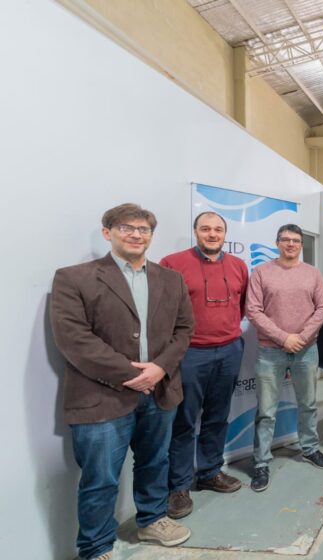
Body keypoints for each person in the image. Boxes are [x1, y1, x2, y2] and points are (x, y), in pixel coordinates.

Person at [50, 203, 194, 560]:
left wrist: (159, 369)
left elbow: (183, 330)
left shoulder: (170, 279)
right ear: (107, 232)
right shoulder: (74, 278)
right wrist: (133, 375)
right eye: (127, 228)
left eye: (143, 230)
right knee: (101, 479)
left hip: (160, 391)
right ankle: (96, 548)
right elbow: (74, 339)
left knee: (154, 463)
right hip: (101, 396)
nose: (136, 235)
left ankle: (152, 519)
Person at [160, 212, 249, 519]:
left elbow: (241, 306)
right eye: (206, 229)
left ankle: (210, 472)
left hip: (229, 350)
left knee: (217, 416)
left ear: (225, 234)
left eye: (218, 229)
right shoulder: (172, 264)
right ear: (195, 231)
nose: (212, 234)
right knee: (183, 421)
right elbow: (162, 311)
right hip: (190, 354)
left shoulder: (238, 266)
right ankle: (179, 486)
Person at [246, 224, 323, 492]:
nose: (291, 244)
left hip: (306, 349)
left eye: (295, 240)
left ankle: (310, 448)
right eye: (285, 239)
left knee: (308, 404)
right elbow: (253, 311)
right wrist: (284, 338)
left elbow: (322, 308)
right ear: (277, 242)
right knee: (266, 411)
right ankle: (260, 463)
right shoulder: (261, 272)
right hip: (271, 351)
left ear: (301, 245)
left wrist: (301, 337)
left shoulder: (313, 273)